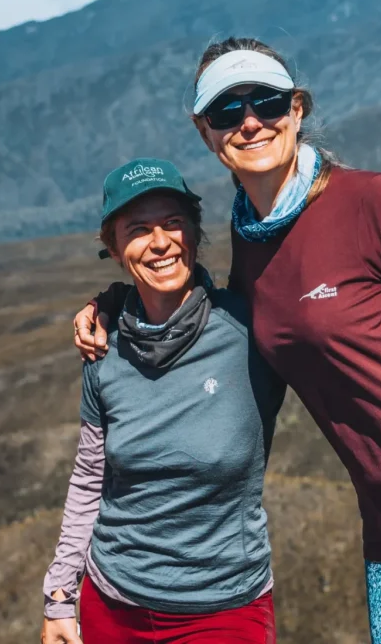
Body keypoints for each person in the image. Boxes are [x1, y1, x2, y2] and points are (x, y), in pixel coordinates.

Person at [74, 39, 381, 644]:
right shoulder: (249, 242)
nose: (250, 122)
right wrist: (115, 304)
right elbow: (206, 316)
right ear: (205, 132)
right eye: (227, 112)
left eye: (268, 103)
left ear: (297, 110)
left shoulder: (369, 202)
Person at [42, 158, 284, 644]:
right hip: (112, 604)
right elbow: (91, 479)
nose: (160, 242)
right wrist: (59, 597)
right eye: (138, 230)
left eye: (173, 223)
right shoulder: (101, 348)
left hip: (225, 606)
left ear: (195, 234)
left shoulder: (248, 327)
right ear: (113, 248)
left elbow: (340, 342)